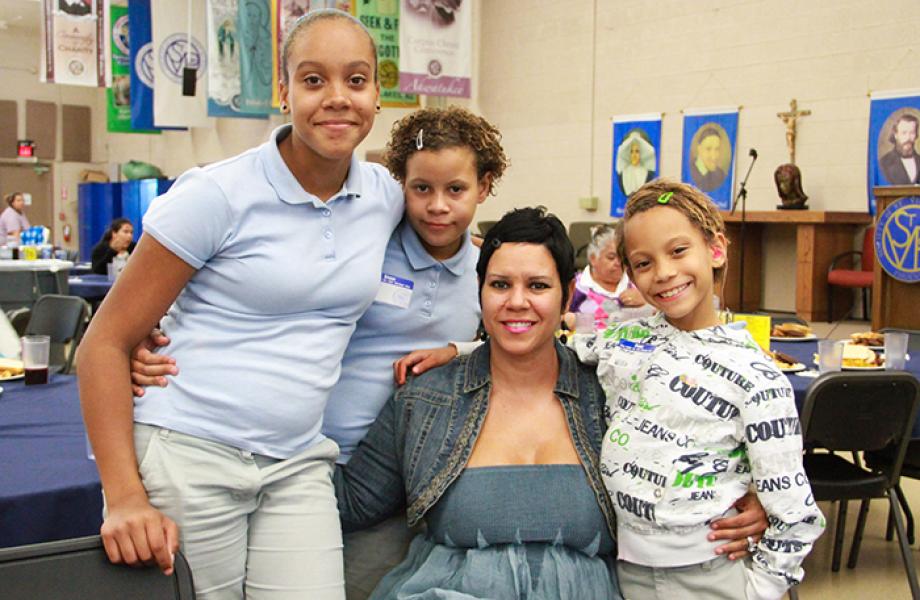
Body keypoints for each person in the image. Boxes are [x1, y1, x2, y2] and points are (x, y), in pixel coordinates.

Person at [78, 9, 402, 600]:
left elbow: (452, 245)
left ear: (378, 95)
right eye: (312, 80)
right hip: (189, 455)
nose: (337, 98)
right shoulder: (216, 195)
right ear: (283, 92)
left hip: (299, 461)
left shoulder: (384, 196)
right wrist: (124, 496)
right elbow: (103, 343)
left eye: (356, 80)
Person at [334, 207, 769, 599]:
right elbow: (353, 501)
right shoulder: (428, 397)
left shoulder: (617, 390)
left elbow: (702, 436)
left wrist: (749, 495)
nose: (517, 301)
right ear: (480, 290)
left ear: (568, 292)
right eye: (500, 285)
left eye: (537, 285)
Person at [573, 180, 824, 600]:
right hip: (623, 571)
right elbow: (555, 350)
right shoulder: (624, 340)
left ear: (716, 250)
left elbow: (795, 512)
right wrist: (459, 349)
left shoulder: (757, 375)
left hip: (712, 576)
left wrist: (757, 590)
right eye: (643, 262)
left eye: (678, 251)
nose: (664, 272)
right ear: (631, 275)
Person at [566, 223, 654, 331]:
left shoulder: (636, 281)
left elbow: (661, 313)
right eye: (611, 257)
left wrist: (646, 301)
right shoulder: (577, 287)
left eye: (622, 257)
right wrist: (579, 322)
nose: (618, 263)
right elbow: (561, 320)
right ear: (593, 259)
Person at [880, 113, 920, 185]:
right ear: (896, 135)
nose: (908, 138)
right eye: (904, 133)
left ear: (916, 135)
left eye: (912, 133)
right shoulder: (884, 163)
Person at [616, 132, 655, 196]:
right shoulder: (624, 172)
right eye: (632, 151)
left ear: (641, 154)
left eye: (637, 151)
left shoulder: (646, 172)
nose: (634, 155)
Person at [689, 127, 726, 192]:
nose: (713, 156)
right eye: (708, 149)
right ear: (699, 149)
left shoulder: (720, 174)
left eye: (717, 149)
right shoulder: (690, 170)